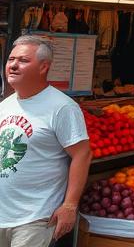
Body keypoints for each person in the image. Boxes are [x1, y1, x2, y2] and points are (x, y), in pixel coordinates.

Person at [0, 35, 91, 247]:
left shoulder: (62, 107)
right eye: (11, 59)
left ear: (43, 67)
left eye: (23, 60)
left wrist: (69, 206)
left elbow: (82, 154)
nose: (13, 65)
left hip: (34, 217)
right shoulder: (5, 105)